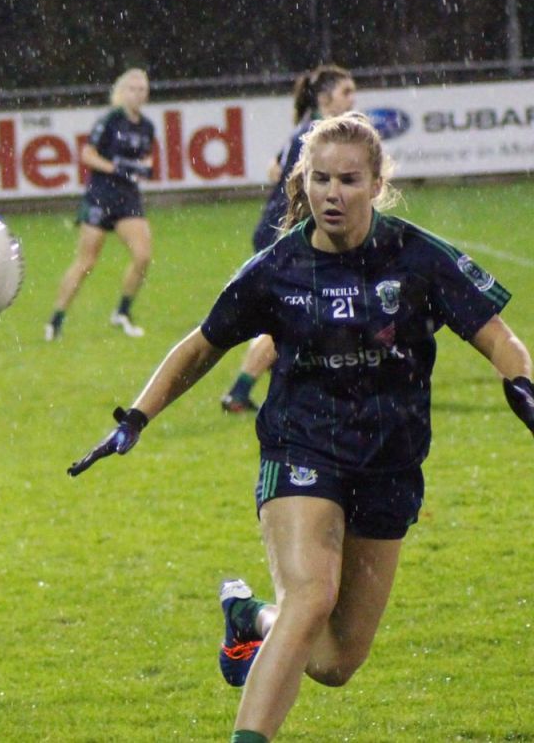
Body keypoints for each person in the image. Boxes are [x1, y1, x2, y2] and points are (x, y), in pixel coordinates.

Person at [68, 112, 534, 743]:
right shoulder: (275, 269)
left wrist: (522, 385)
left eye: (347, 180)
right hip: (301, 448)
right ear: (303, 181)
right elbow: (201, 347)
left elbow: (496, 335)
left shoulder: (416, 256)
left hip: (390, 463)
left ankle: (249, 617)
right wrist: (138, 416)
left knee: (337, 662)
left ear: (375, 183)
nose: (331, 194)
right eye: (319, 179)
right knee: (312, 595)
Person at [221, 65, 356, 413]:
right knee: (291, 315)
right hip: (285, 232)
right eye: (346, 91)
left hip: (281, 228)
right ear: (325, 98)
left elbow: (273, 168)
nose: (353, 98)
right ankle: (240, 391)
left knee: (302, 313)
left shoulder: (308, 131)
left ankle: (291, 382)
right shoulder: (320, 135)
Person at [45, 67, 156, 340]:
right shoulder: (110, 120)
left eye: (142, 89)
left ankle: (122, 312)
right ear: (122, 92)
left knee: (142, 255)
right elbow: (87, 155)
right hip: (101, 195)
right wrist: (115, 167)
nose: (138, 93)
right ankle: (56, 319)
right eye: (132, 88)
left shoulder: (147, 126)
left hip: (127, 197)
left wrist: (142, 168)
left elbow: (146, 160)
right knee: (86, 262)